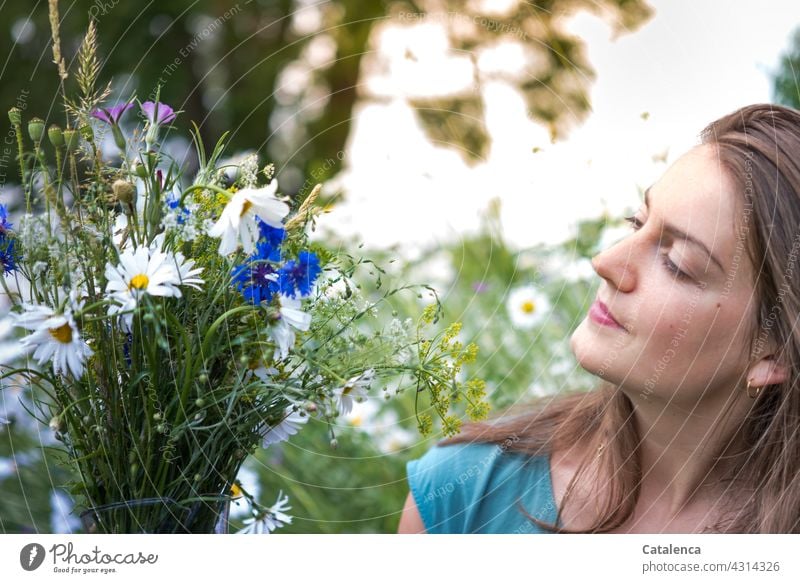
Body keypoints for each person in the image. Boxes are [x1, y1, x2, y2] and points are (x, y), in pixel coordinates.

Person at [398, 103, 800, 534]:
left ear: (771, 355)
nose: (605, 262)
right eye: (637, 222)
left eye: (677, 263)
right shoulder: (464, 489)